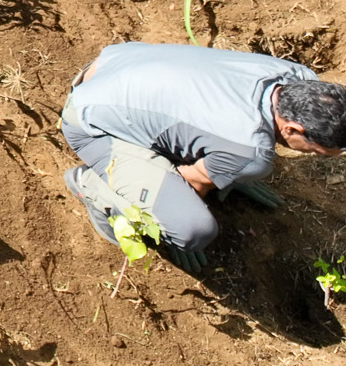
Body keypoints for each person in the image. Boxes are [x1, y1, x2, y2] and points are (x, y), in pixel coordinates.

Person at [60, 42, 346, 260]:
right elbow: (189, 180)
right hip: (88, 122)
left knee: (236, 160)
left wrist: (232, 170)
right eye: (318, 151)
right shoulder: (250, 150)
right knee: (192, 229)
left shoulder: (298, 76)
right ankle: (90, 186)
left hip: (112, 65)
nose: (315, 156)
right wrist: (179, 210)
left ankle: (219, 166)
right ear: (292, 129)